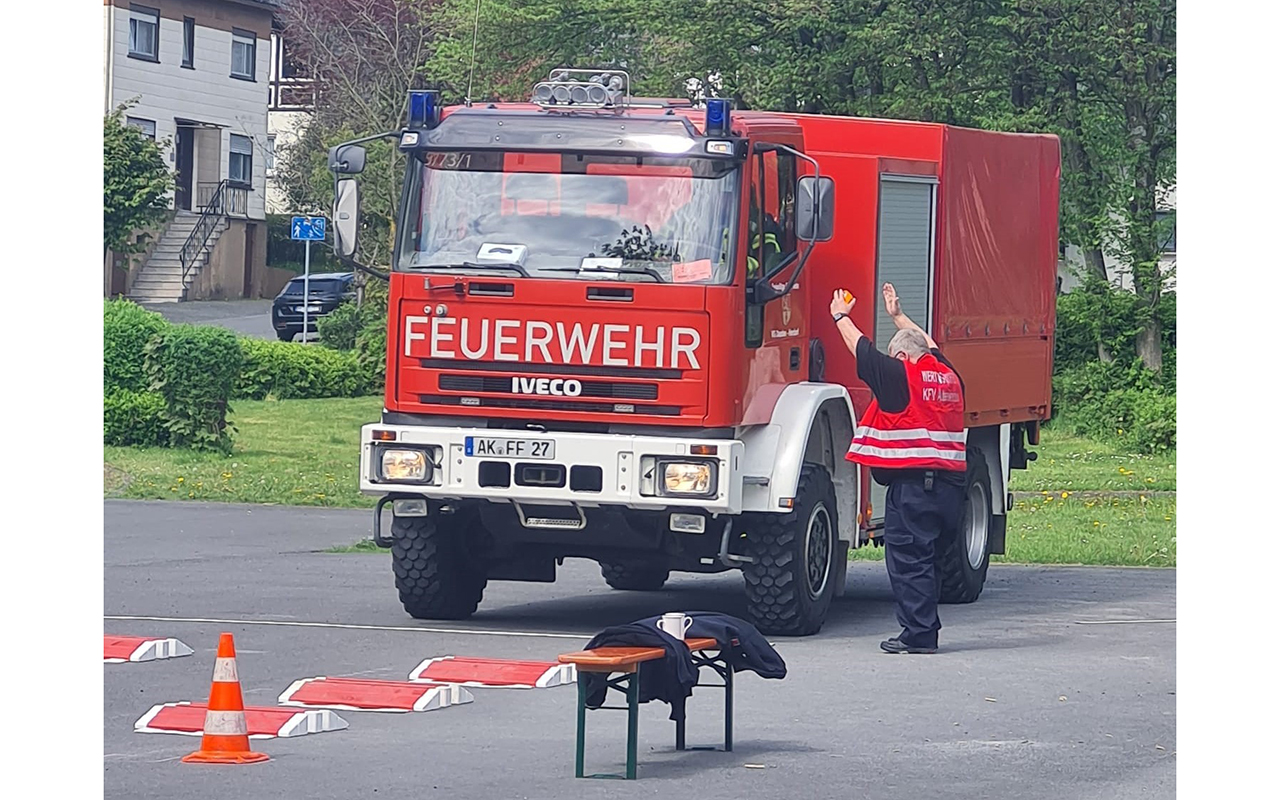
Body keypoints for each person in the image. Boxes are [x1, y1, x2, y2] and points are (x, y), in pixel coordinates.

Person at [829, 283, 967, 654]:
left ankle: (919, 635)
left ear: (903, 356)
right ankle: (925, 629)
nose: (893, 360)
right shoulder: (949, 375)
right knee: (931, 561)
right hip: (951, 489)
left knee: (910, 562)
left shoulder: (901, 377)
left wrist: (840, 315)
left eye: (896, 354)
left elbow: (861, 349)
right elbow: (929, 345)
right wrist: (897, 317)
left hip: (914, 489)